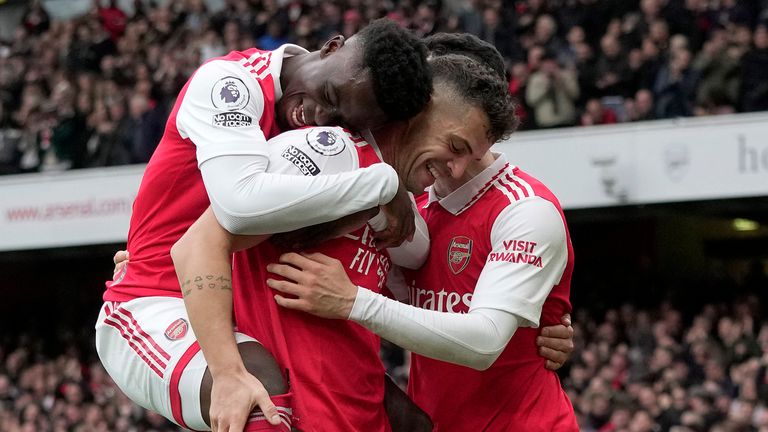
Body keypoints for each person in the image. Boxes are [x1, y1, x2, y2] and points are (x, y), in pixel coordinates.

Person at [95, 19, 433, 432]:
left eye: (342, 118)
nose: (319, 116)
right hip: (153, 302)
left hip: (237, 316)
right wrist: (380, 185)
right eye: (328, 95)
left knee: (408, 421)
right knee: (258, 393)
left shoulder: (334, 139)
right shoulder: (229, 82)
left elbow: (416, 248)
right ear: (331, 47)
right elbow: (240, 204)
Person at [171, 52, 518, 431]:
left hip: (364, 418)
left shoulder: (405, 210)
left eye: (471, 158)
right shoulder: (325, 152)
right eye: (455, 146)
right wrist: (227, 373)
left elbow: (436, 292)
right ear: (419, 114)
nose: (457, 169)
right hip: (295, 417)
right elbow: (198, 245)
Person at [264, 40, 579, 431]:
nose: (459, 168)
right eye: (453, 146)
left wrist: (349, 300)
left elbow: (484, 341)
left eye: (467, 149)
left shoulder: (525, 210)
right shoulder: (404, 204)